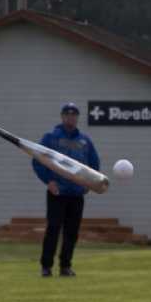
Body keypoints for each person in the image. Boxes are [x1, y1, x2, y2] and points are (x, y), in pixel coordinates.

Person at [34, 103, 101, 278]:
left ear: (77, 118)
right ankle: (46, 267)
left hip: (76, 194)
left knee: (72, 231)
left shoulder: (84, 141)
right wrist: (48, 181)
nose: (70, 117)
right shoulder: (51, 138)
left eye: (74, 115)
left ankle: (65, 266)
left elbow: (94, 165)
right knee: (53, 229)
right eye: (67, 114)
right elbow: (38, 160)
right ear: (62, 116)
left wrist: (90, 183)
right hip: (57, 192)